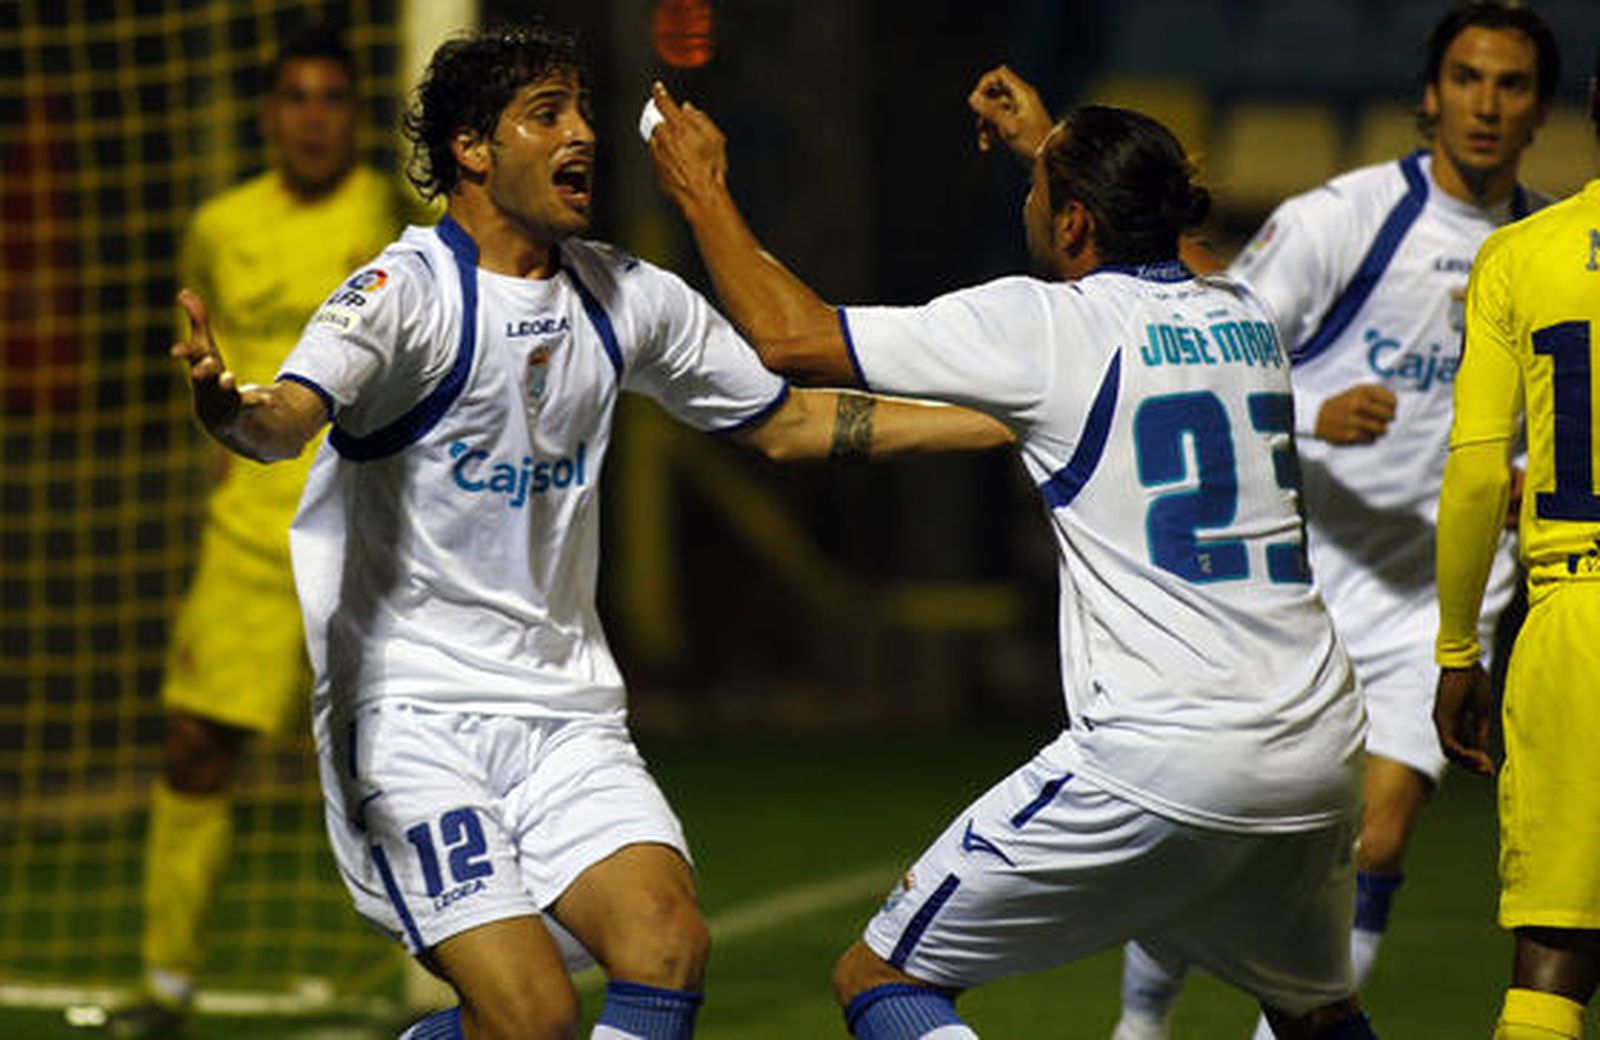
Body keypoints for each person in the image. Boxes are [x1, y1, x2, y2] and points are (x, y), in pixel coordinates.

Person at [168, 24, 1011, 1040]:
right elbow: (283, 421)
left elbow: (789, 421)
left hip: (566, 718)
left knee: (667, 944)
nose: (583, 133)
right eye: (546, 114)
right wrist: (229, 407)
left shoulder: (625, 296)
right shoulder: (405, 294)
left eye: (579, 110)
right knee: (532, 1016)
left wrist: (1004, 419)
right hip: (414, 719)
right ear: (472, 149)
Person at [647, 63, 1377, 1037]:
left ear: (1073, 222)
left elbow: (791, 336)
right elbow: (1162, 264)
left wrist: (701, 187)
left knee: (879, 980)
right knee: (1316, 1012)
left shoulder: (1046, 326)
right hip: (1318, 746)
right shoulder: (1243, 314)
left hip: (1165, 752)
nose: (1026, 203)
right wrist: (1051, 151)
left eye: (1038, 191)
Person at [1108, 5, 1560, 1034]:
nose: (1487, 103)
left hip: (1433, 607)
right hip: (1300, 580)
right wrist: (1316, 410)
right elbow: (1215, 350)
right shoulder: (1342, 221)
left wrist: (1535, 476)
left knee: (1376, 839)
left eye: (1512, 84)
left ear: (1541, 110)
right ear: (1430, 94)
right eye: (1467, 78)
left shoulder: (1544, 252)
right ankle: (1140, 1022)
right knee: (1218, 830)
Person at [98, 24, 415, 1038]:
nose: (313, 117)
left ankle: (447, 979)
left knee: (406, 764)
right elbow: (208, 364)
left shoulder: (395, 217)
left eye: (331, 98)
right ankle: (167, 984)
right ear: (269, 114)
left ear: (353, 115)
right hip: (249, 541)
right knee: (195, 748)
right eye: (295, 98)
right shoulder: (220, 225)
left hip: (374, 539)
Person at [1433, 48, 1600, 1040]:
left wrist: (1459, 648)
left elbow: (1472, 475)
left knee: (1554, 949)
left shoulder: (1521, 254)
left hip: (1575, 616)